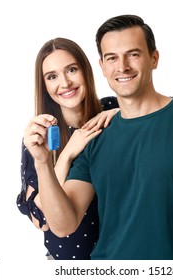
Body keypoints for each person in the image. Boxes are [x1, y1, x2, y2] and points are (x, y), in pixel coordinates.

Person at [23, 15, 173, 260]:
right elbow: (63, 224)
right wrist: (43, 162)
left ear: (154, 58)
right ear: (102, 66)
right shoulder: (95, 133)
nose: (122, 67)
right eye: (112, 58)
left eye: (133, 54)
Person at [16, 37, 119, 260]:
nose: (65, 83)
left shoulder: (113, 108)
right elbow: (42, 219)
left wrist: (122, 113)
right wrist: (67, 155)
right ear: (44, 85)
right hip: (65, 263)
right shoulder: (40, 136)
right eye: (52, 76)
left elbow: (153, 111)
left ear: (86, 70)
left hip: (122, 259)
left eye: (71, 70)